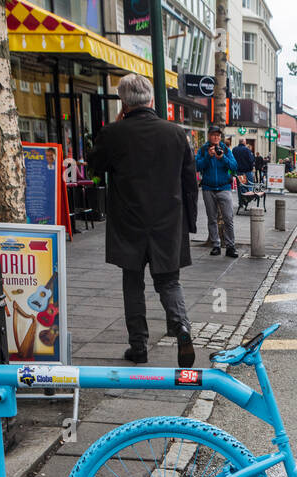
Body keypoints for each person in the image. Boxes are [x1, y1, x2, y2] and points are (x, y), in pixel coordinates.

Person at [87, 73, 198, 368]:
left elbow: (94, 167)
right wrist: (192, 221)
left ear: (123, 103)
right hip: (168, 220)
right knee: (169, 280)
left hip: (129, 219)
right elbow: (190, 181)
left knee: (132, 282)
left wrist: (117, 122)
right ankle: (182, 326)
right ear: (151, 99)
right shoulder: (176, 133)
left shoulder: (113, 133)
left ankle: (139, 346)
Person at [196, 125, 238, 257]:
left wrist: (223, 158)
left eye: (218, 135)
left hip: (224, 188)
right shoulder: (203, 150)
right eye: (214, 135)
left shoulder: (225, 149)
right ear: (209, 136)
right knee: (212, 218)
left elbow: (234, 166)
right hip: (208, 188)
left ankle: (230, 246)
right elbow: (197, 166)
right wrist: (208, 156)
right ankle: (216, 245)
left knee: (228, 218)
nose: (216, 137)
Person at [232, 137, 256, 205]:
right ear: (244, 142)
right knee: (249, 186)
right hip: (247, 171)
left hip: (238, 171)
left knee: (240, 187)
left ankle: (241, 201)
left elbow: (232, 160)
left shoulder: (234, 149)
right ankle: (247, 199)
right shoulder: (246, 150)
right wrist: (251, 168)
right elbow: (251, 160)